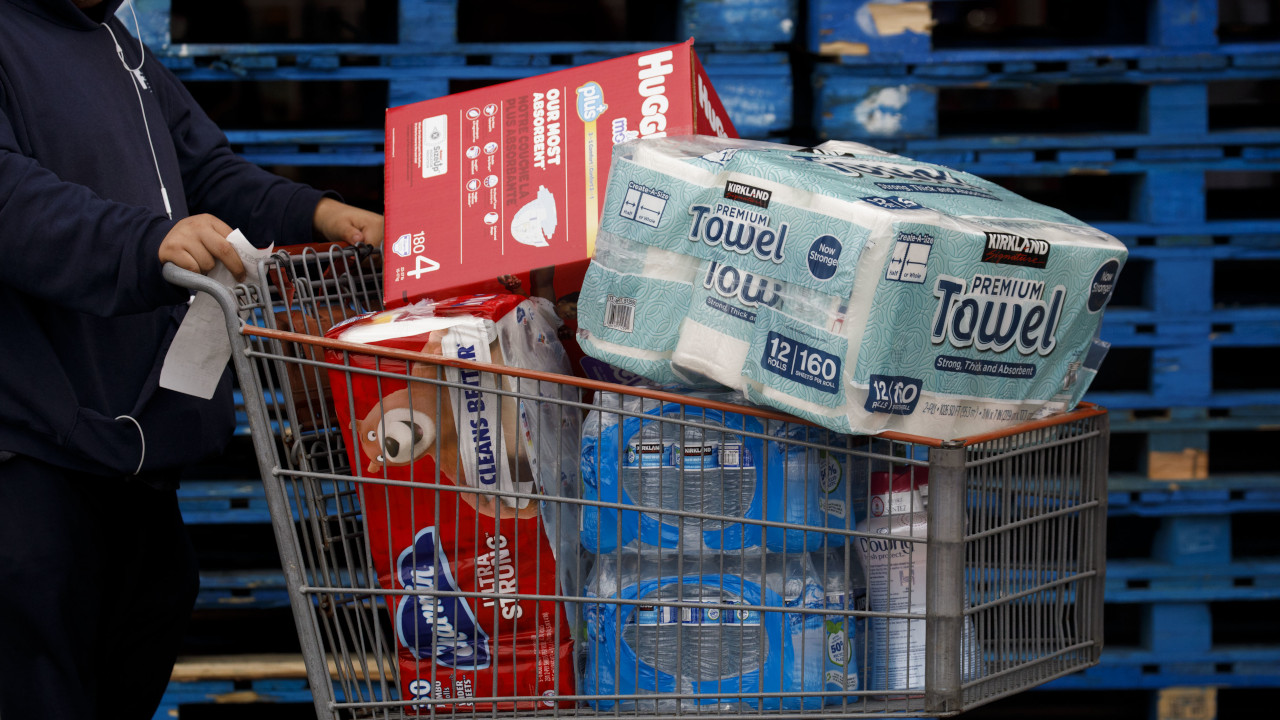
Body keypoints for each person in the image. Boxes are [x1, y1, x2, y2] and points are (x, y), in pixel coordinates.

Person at [0, 1, 383, 718]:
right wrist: (142, 244)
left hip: (134, 454)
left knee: (150, 616)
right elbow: (11, 200)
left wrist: (320, 214)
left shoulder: (117, 44)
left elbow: (207, 170)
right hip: (30, 452)